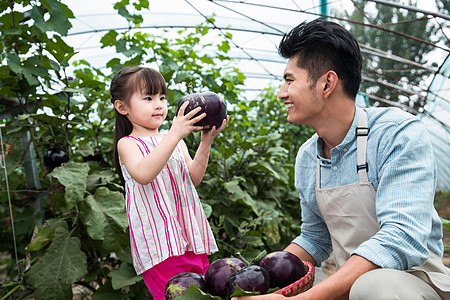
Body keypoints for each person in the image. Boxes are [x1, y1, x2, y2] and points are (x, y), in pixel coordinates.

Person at [235, 19, 450, 300]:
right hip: (353, 285)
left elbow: (402, 236)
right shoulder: (308, 156)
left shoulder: (396, 133)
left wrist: (303, 299)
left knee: (373, 286)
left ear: (327, 83)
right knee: (363, 286)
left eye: (289, 81)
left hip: (415, 281)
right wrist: (255, 277)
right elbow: (315, 238)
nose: (281, 93)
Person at [110, 66, 228, 300]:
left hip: (190, 236)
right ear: (122, 107)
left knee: (203, 294)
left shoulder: (173, 140)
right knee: (177, 295)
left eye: (162, 98)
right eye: (148, 98)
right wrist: (175, 133)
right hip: (160, 243)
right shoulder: (128, 144)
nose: (159, 104)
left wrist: (206, 141)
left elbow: (192, 178)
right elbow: (144, 173)